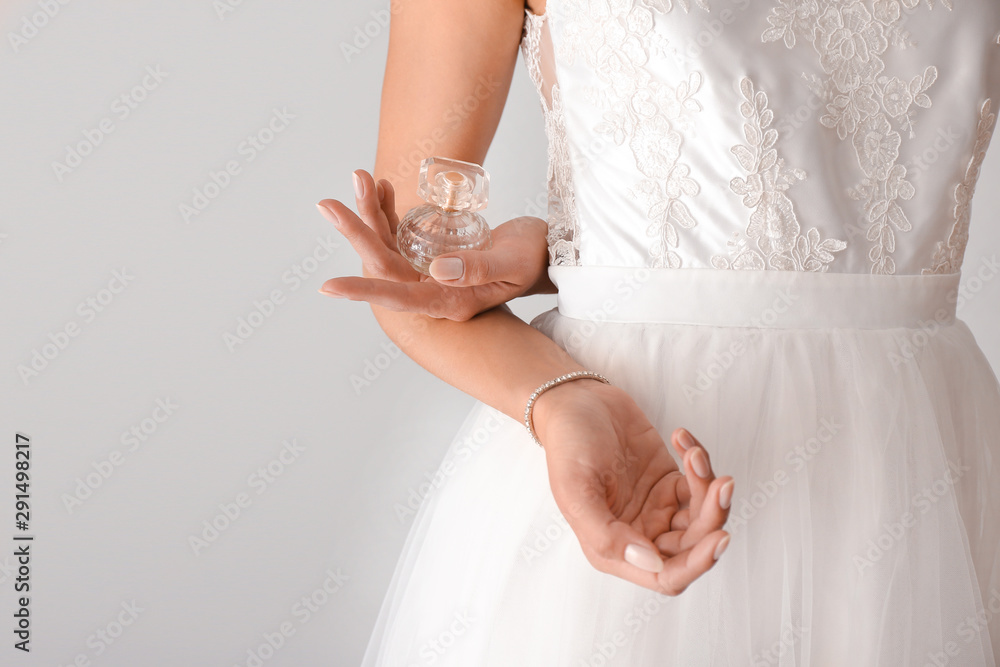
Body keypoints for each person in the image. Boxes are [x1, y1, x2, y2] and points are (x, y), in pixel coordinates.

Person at [318, 0, 1000, 664]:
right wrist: (562, 395)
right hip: (627, 455)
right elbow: (413, 279)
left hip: (925, 457)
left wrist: (562, 252)